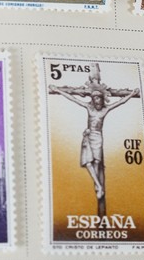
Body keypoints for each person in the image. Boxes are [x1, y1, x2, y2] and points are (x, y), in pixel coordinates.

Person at [49, 64, 139, 201]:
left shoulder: (105, 109)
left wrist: (132, 94)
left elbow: (121, 102)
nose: (97, 102)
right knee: (88, 162)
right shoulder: (89, 107)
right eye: (95, 99)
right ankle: (99, 186)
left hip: (98, 137)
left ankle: (98, 187)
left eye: (99, 99)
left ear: (102, 99)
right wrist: (57, 90)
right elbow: (73, 99)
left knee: (97, 162)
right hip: (88, 135)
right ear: (93, 100)